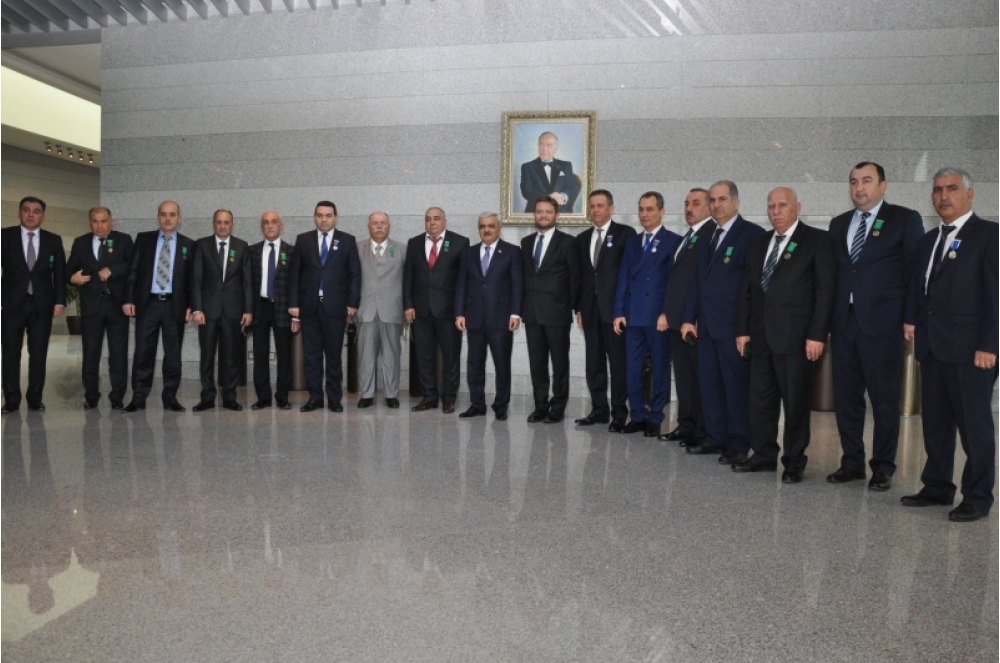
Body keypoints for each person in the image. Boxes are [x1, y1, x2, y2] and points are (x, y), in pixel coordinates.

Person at [902, 168, 998, 522]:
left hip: (972, 351)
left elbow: (996, 296)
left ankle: (978, 496)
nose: (944, 196)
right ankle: (937, 486)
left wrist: (990, 344)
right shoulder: (929, 240)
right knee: (936, 426)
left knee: (974, 428)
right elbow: (921, 290)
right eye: (938, 189)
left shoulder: (989, 235)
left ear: (969, 194)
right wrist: (915, 327)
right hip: (933, 349)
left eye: (952, 188)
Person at [825, 162, 924, 491]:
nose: (859, 188)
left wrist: (911, 317)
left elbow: (914, 273)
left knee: (884, 401)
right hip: (844, 324)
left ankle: (883, 466)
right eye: (854, 182)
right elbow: (833, 276)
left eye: (867, 181)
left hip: (883, 325)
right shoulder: (839, 224)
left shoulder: (904, 219)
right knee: (847, 400)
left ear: (883, 185)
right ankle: (851, 462)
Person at [733, 187, 836, 483]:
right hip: (760, 336)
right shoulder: (758, 243)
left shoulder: (817, 240)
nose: (776, 211)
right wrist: (742, 330)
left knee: (795, 403)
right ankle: (763, 455)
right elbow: (747, 291)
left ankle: (794, 461)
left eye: (782, 205)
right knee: (761, 400)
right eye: (771, 206)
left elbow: (825, 291)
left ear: (797, 207)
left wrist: (817, 334)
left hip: (797, 339)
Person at [680, 181, 765, 464]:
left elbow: (752, 288)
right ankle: (715, 437)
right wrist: (688, 318)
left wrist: (746, 328)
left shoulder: (752, 235)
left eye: (723, 199)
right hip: (705, 327)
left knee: (735, 388)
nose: (717, 205)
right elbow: (697, 280)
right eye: (713, 200)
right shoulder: (706, 235)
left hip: (734, 329)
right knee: (710, 386)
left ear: (736, 202)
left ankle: (739, 443)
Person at [612, 192, 682, 437]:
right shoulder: (632, 242)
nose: (645, 214)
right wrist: (619, 311)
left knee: (660, 369)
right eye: (641, 209)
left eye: (650, 209)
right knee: (633, 368)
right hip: (633, 316)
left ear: (662, 211)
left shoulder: (673, 241)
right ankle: (638, 415)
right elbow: (623, 277)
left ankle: (655, 417)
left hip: (657, 318)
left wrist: (666, 313)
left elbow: (674, 283)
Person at [288, 201, 361, 412]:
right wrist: (294, 304)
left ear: (335, 217)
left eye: (328, 215)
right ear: (314, 217)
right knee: (311, 356)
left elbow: (354, 274)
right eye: (320, 215)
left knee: (334, 356)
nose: (324, 219)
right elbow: (295, 274)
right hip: (309, 307)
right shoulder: (303, 240)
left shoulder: (347, 240)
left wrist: (352, 303)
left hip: (335, 308)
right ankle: (315, 398)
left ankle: (335, 398)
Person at [122, 200, 195, 413]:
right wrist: (128, 299)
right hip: (148, 304)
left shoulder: (189, 245)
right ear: (158, 217)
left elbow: (192, 280)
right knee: (143, 353)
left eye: (172, 214)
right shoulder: (143, 239)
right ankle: (138, 398)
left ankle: (170, 397)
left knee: (173, 355)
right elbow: (133, 271)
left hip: (175, 306)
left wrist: (191, 305)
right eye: (163, 214)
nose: (167, 218)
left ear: (179, 218)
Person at [574, 190, 636, 431]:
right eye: (592, 206)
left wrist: (623, 310)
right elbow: (582, 277)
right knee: (594, 363)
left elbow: (629, 274)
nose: (596, 210)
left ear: (611, 208)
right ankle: (599, 410)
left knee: (618, 364)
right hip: (590, 312)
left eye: (600, 205)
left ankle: (619, 413)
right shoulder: (582, 239)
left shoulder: (625, 234)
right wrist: (579, 309)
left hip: (615, 313)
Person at [659, 189, 716, 445]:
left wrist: (690, 317)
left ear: (709, 206)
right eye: (686, 204)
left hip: (693, 323)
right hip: (677, 320)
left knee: (699, 379)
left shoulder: (710, 235)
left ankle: (701, 431)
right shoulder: (689, 236)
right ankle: (685, 426)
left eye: (695, 203)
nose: (689, 208)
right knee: (683, 379)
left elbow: (700, 282)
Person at [1, 196, 66, 414]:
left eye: (36, 211)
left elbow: (59, 274)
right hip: (11, 305)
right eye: (26, 210)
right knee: (10, 354)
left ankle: (35, 398)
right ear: (19, 213)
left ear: (43, 216)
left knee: (38, 353)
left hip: (42, 305)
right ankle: (11, 400)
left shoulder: (53, 240)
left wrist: (60, 301)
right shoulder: (4, 236)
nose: (31, 214)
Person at [455, 213, 523, 421]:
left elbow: (517, 285)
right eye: (483, 226)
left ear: (499, 228)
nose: (486, 230)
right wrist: (459, 313)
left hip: (501, 319)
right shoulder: (468, 253)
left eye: (491, 226)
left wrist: (515, 313)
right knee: (474, 364)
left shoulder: (512, 251)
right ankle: (477, 404)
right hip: (474, 317)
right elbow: (462, 284)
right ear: (479, 229)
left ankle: (501, 405)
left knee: (502, 364)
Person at [402, 207, 469, 414]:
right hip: (421, 311)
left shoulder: (460, 242)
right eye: (428, 219)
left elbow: (463, 280)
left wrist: (460, 311)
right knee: (424, 357)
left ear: (445, 221)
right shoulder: (414, 243)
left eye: (436, 218)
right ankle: (429, 397)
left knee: (451, 357)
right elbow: (408, 277)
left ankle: (449, 398)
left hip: (448, 312)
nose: (432, 222)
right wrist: (408, 305)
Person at [521, 195, 581, 423]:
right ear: (534, 215)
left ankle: (558, 407)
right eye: (539, 211)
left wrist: (572, 307)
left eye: (548, 212)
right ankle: (540, 406)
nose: (543, 215)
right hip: (532, 313)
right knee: (537, 364)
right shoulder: (526, 242)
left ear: (557, 216)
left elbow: (575, 279)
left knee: (559, 364)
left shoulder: (568, 242)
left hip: (557, 313)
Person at [66, 206, 134, 410]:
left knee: (118, 353)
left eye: (103, 221)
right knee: (90, 353)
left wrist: (112, 269)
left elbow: (133, 266)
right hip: (91, 307)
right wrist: (73, 278)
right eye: (95, 221)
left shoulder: (124, 240)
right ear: (90, 222)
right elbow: (68, 270)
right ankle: (91, 396)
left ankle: (117, 396)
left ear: (111, 221)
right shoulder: (80, 242)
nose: (99, 225)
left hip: (116, 306)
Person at [191, 209, 254, 412]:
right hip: (207, 311)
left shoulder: (241, 246)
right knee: (207, 356)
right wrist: (197, 309)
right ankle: (207, 397)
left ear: (232, 224)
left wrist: (248, 310)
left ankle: (229, 397)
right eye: (219, 222)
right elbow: (196, 279)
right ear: (213, 224)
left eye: (226, 222)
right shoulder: (202, 245)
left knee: (231, 357)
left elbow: (247, 281)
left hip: (233, 310)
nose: (222, 226)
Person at [356, 211, 406, 409]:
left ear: (389, 226)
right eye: (375, 223)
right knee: (365, 355)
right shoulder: (357, 248)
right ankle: (366, 394)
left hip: (392, 309)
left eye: (383, 223)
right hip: (365, 309)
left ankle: (391, 394)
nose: (379, 226)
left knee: (391, 355)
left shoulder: (402, 249)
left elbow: (409, 280)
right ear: (368, 226)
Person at [249, 211, 296, 410]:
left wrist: (297, 315)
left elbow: (296, 284)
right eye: (266, 222)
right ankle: (263, 397)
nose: (270, 226)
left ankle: (283, 397)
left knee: (284, 355)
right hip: (259, 308)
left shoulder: (292, 251)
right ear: (261, 227)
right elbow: (246, 283)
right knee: (260, 355)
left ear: (281, 226)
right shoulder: (252, 251)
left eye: (274, 222)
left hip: (283, 308)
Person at [520, 132, 582, 213]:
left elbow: (572, 187)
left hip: (561, 212)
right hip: (536, 212)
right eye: (541, 144)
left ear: (556, 148)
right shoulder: (527, 167)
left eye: (549, 145)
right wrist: (548, 197)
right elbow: (527, 191)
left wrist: (563, 196)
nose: (544, 148)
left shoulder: (566, 165)